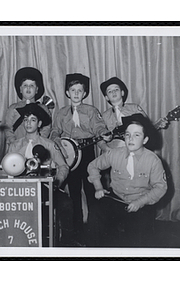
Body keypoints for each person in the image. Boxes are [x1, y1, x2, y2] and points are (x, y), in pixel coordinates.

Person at [87, 113, 168, 247]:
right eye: (127, 134)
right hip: (116, 198)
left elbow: (161, 187)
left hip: (141, 203)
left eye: (137, 135)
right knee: (96, 214)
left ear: (145, 140)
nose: (130, 139)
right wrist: (98, 187)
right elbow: (92, 166)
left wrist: (140, 202)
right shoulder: (114, 153)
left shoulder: (153, 160)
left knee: (136, 238)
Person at [4, 102, 78, 246]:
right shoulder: (14, 145)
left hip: (45, 187)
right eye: (25, 120)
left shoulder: (49, 144)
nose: (28, 123)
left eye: (32, 120)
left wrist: (57, 181)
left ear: (39, 123)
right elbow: (6, 168)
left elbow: (63, 166)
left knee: (66, 204)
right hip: (19, 189)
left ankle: (66, 245)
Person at [50, 73, 110, 242]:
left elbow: (99, 127)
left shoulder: (91, 111)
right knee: (74, 193)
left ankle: (94, 231)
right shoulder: (61, 113)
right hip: (70, 155)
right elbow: (55, 130)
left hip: (88, 151)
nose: (76, 93)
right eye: (72, 90)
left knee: (93, 191)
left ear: (84, 93)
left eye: (80, 90)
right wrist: (56, 139)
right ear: (67, 93)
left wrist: (103, 133)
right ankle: (77, 232)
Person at [100, 76, 168, 150]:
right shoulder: (105, 115)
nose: (113, 92)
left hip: (135, 149)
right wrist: (106, 148)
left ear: (122, 92)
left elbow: (147, 128)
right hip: (114, 151)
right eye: (109, 91)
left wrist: (158, 124)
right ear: (106, 97)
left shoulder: (134, 108)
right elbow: (100, 138)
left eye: (116, 89)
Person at [4, 67, 52, 152]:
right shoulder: (13, 108)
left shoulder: (43, 108)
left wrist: (39, 141)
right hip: (17, 147)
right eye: (25, 85)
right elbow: (8, 129)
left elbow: (46, 127)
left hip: (37, 146)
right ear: (20, 89)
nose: (28, 88)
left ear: (37, 90)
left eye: (32, 86)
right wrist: (14, 142)